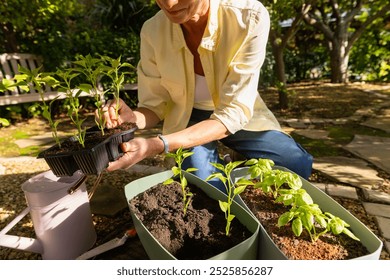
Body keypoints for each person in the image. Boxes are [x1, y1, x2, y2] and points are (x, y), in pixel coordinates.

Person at [100, 0, 313, 190]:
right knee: (206, 185)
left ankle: (239, 156)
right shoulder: (152, 31)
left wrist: (156, 145)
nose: (169, 4)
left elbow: (233, 112)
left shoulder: (249, 17)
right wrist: (131, 119)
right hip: (186, 117)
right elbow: (155, 106)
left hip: (235, 114)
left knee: (296, 165)